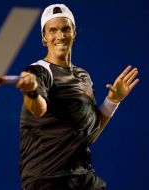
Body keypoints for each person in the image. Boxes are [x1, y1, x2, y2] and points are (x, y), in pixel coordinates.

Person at [16, 3, 139, 190]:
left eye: (66, 29)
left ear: (74, 32)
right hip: (47, 178)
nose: (60, 36)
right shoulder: (39, 71)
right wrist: (32, 92)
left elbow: (89, 135)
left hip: (82, 177)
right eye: (53, 30)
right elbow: (38, 109)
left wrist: (113, 101)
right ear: (44, 37)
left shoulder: (83, 76)